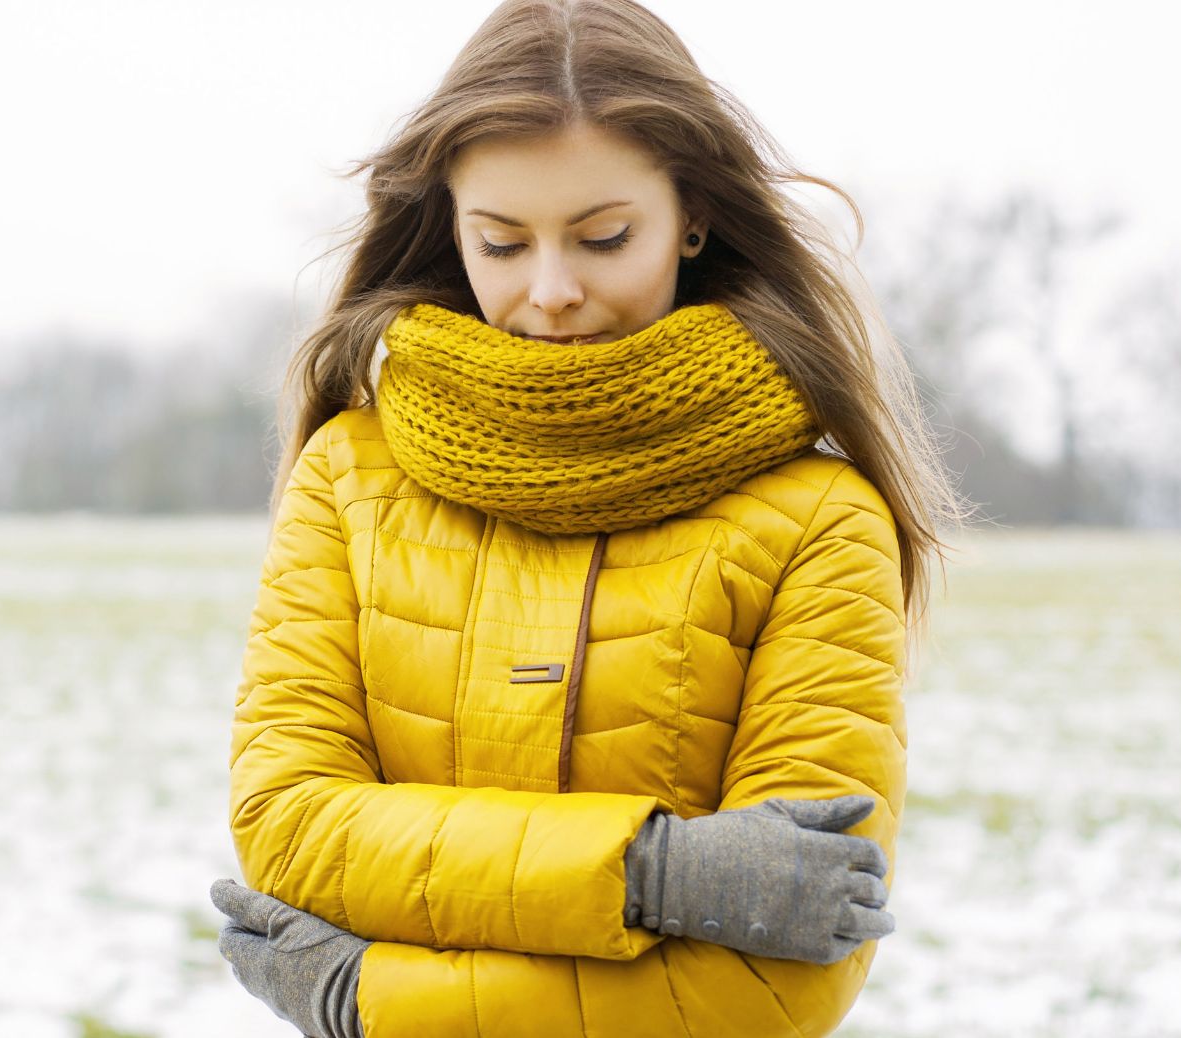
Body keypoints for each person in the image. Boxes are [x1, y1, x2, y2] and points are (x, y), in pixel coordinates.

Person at [209, 1, 964, 1035]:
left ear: (691, 213)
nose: (551, 289)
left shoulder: (822, 520)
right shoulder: (347, 477)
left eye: (604, 237)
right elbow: (290, 827)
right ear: (449, 228)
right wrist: (659, 875)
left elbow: (777, 985)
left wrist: (369, 997)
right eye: (502, 243)